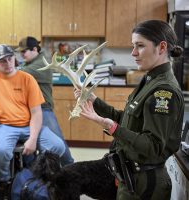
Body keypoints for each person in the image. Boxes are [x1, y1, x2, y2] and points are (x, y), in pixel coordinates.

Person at [75, 20, 184, 199]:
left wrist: (112, 128)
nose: (133, 53)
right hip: (131, 177)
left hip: (145, 185)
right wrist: (94, 100)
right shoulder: (149, 79)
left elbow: (152, 146)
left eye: (140, 46)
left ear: (161, 47)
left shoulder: (164, 92)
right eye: (133, 46)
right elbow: (128, 120)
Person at [0, 44, 65, 197]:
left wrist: (33, 139)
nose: (8, 63)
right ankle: (5, 184)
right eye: (2, 61)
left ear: (14, 58)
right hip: (4, 126)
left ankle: (36, 179)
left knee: (57, 147)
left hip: (30, 125)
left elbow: (36, 113)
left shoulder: (27, 79)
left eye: (10, 59)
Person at [16, 36, 74, 166]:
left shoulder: (41, 64)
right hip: (32, 109)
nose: (21, 55)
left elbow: (18, 74)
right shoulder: (30, 62)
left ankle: (70, 167)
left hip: (43, 108)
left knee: (58, 143)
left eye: (24, 51)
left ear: (35, 49)